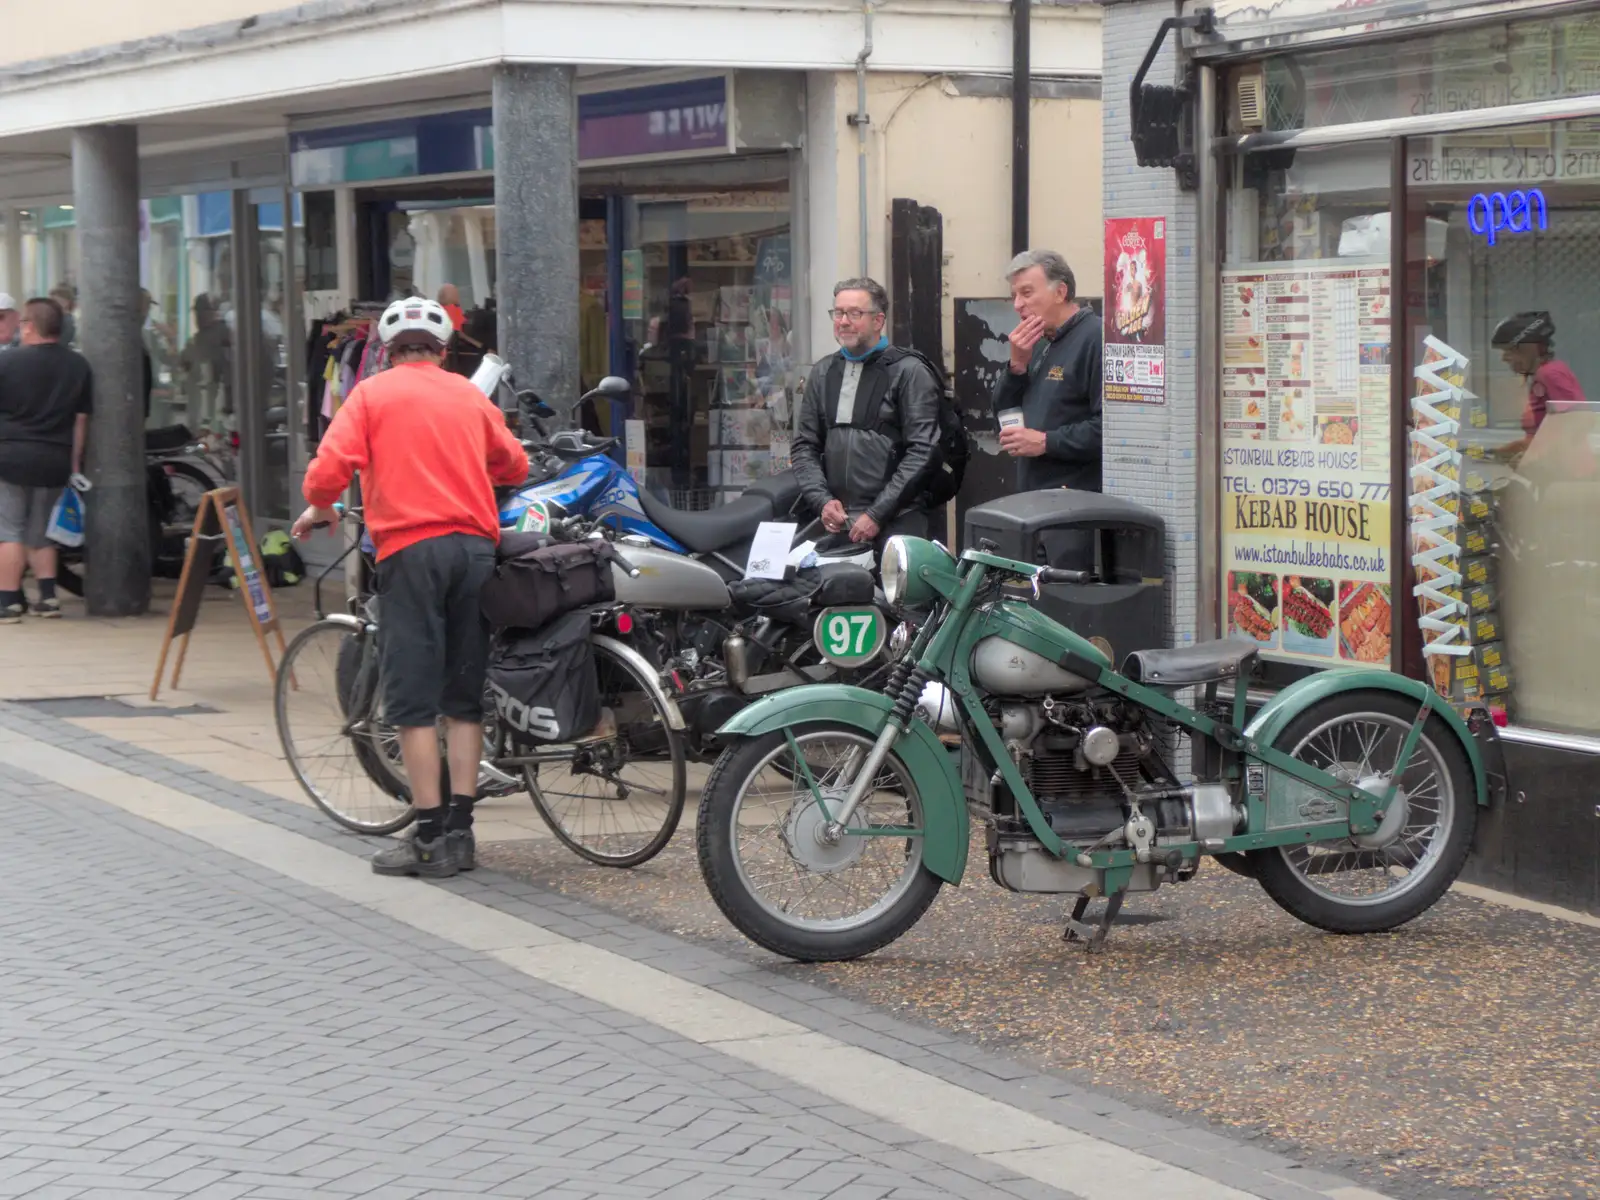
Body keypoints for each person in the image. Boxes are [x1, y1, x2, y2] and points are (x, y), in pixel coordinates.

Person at [293, 297, 529, 879]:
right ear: (444, 351)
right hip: (475, 550)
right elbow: (516, 467)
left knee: (412, 700)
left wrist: (319, 507)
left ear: (386, 352)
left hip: (410, 551)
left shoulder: (371, 395)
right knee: (463, 695)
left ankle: (427, 838)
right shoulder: (469, 396)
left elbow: (327, 471)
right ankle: (462, 834)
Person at [791, 277, 940, 547]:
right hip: (837, 521)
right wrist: (822, 501)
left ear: (878, 320)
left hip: (898, 519)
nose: (844, 321)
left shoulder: (909, 371)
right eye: (838, 312)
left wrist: (877, 513)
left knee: (896, 591)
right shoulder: (823, 372)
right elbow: (805, 446)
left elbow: (923, 451)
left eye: (855, 313)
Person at [0, 298, 92, 622]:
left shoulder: (7, 362)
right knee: (43, 531)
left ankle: (9, 601)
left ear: (28, 326)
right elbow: (81, 420)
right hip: (55, 458)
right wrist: (75, 462)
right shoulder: (78, 366)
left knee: (10, 530)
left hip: (10, 458)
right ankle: (49, 597)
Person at [991, 249, 1103, 493]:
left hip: (1078, 501)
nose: (1018, 305)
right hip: (1033, 493)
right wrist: (1016, 368)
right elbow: (1003, 414)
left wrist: (1046, 442)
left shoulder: (1096, 338)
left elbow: (1110, 428)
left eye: (1027, 293)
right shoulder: (1038, 341)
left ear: (1060, 292)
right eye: (1014, 296)